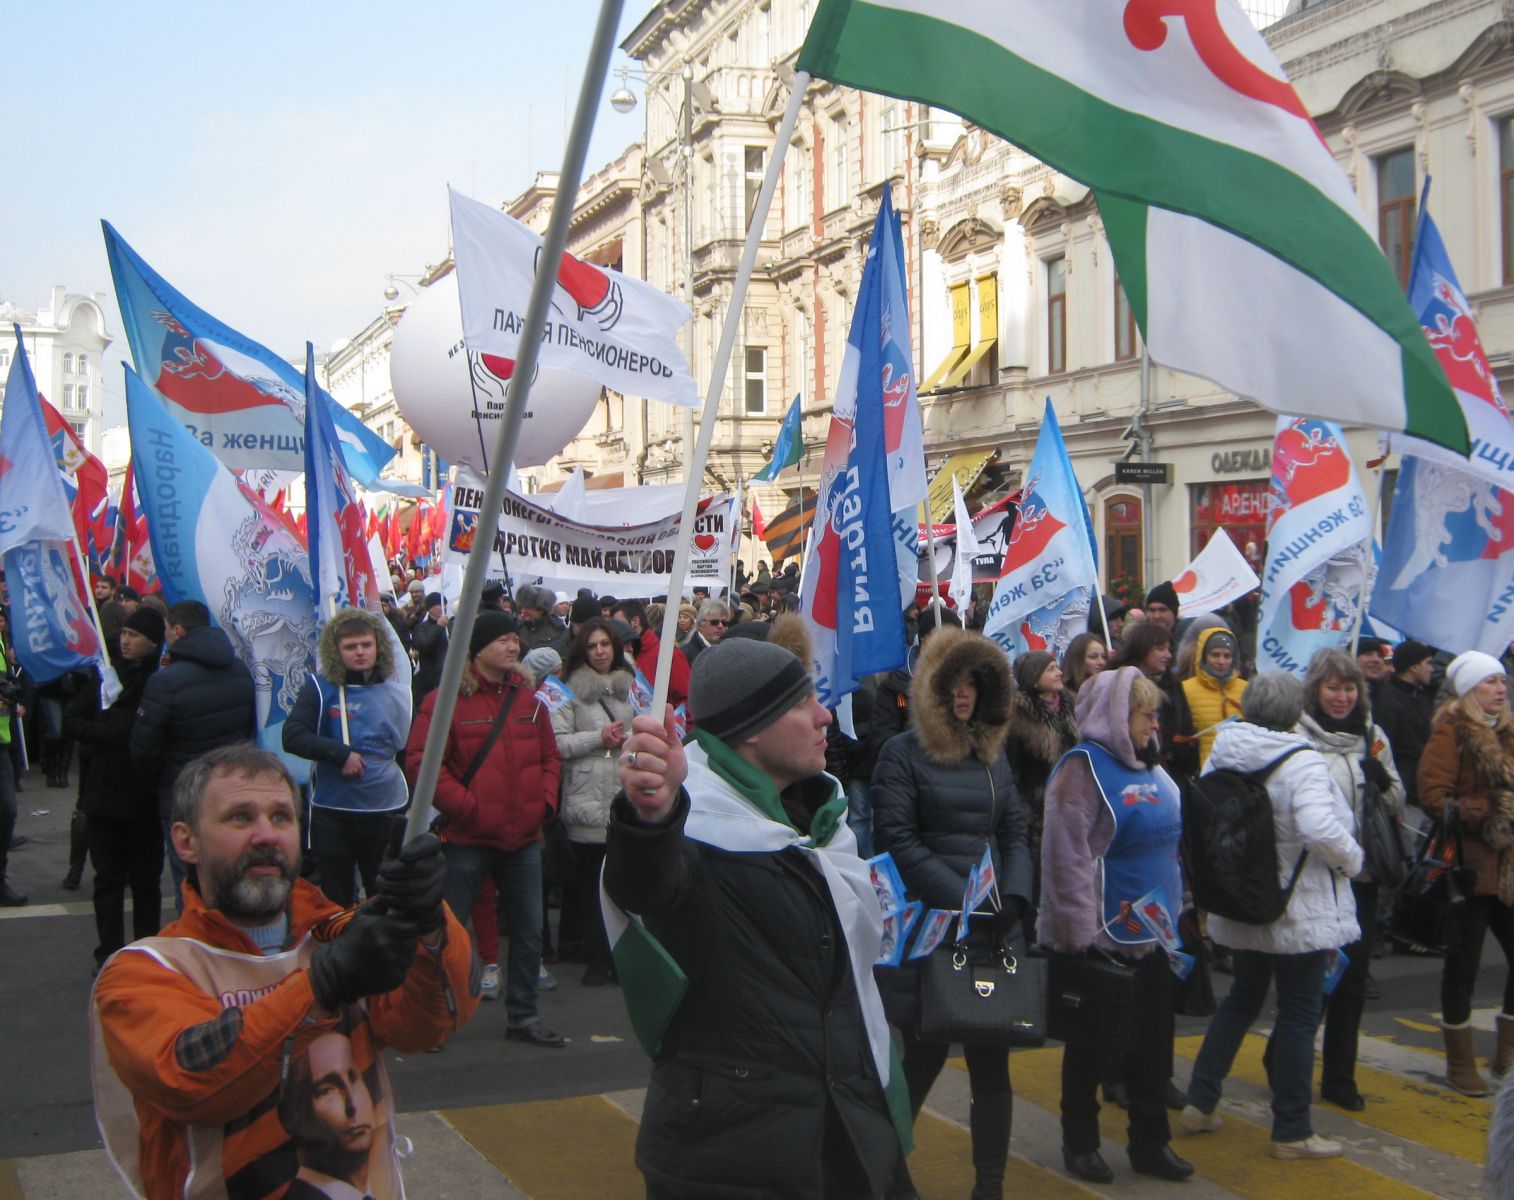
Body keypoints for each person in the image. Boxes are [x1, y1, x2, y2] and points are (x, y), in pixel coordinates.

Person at [90, 744, 476, 1200]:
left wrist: (428, 924)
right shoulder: (145, 971)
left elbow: (428, 1027)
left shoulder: (336, 934)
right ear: (185, 841)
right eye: (239, 817)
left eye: (281, 817)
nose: (266, 835)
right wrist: (322, 985)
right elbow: (193, 1084)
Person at [605, 639, 909, 1198]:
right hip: (730, 1157)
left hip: (846, 1135)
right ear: (751, 728)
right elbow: (645, 883)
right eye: (801, 705)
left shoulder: (822, 824)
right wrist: (651, 816)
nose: (824, 715)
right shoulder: (694, 829)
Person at [872, 626, 1032, 1200]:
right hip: (934, 929)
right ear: (932, 688)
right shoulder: (902, 754)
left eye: (973, 683)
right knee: (923, 1056)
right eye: (954, 683)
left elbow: (1014, 830)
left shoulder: (992, 754)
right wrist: (963, 903)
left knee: (993, 1063)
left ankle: (989, 1187)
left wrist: (1014, 897)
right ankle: (886, 1176)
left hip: (991, 925)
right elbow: (897, 839)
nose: (964, 695)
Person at [1182, 672, 1362, 1159]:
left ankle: (1199, 1101)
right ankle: (1292, 1129)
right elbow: (1320, 827)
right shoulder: (1301, 760)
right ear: (1293, 712)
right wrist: (1353, 859)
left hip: (1243, 901)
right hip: (1295, 908)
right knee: (1300, 1013)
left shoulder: (1225, 748)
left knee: (1242, 999)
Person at [1040, 667, 1194, 1184]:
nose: (1155, 723)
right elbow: (1065, 858)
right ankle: (1079, 1142)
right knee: (1092, 1047)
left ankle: (1151, 1143)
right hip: (1104, 937)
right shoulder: (1081, 770)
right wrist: (1076, 936)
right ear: (1115, 717)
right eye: (1145, 714)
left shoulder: (1153, 766)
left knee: (1153, 1048)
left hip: (1155, 934)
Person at [404, 610, 565, 1048]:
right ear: (477, 649)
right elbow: (421, 763)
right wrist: (468, 808)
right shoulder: (445, 701)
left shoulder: (529, 701)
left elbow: (549, 757)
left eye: (516, 639)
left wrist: (545, 803)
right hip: (468, 839)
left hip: (524, 837)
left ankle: (524, 1015)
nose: (513, 647)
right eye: (503, 640)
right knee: (448, 934)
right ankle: (435, 1018)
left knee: (530, 932)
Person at [1297, 648, 1403, 1111]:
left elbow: (1399, 793)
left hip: (1362, 875)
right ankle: (1284, 1057)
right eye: (1333, 688)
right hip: (1316, 876)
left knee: (1352, 978)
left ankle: (1340, 1076)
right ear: (1315, 690)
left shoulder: (1372, 734)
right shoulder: (1299, 736)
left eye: (1349, 688)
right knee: (1312, 980)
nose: (1341, 697)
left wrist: (1382, 782)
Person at [1418, 650, 1514, 1096]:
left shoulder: (1509, 731)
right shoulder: (1451, 732)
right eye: (1490, 682)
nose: (1500, 689)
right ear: (1469, 689)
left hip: (1509, 864)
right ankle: (1460, 1063)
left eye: (1502, 681)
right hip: (1469, 866)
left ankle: (1506, 1057)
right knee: (1463, 965)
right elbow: (1434, 797)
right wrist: (1490, 811)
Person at [130, 600, 257, 910]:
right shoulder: (240, 669)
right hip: (230, 788)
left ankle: (197, 946)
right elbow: (248, 727)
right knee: (229, 870)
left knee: (188, 879)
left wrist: (158, 780)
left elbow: (143, 746)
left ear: (178, 630)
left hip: (181, 791)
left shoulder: (164, 681)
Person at [283, 608, 412, 907]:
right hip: (334, 809)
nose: (360, 653)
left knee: (384, 893)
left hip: (384, 807)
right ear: (336, 650)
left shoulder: (397, 691)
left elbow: (410, 749)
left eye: (366, 645)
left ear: (378, 645)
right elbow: (293, 736)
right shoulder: (321, 688)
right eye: (350, 647)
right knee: (337, 898)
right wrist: (340, 754)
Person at [65, 607, 167, 967]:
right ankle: (108, 954)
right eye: (124, 632)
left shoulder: (160, 680)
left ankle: (147, 953)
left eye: (135, 635)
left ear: (153, 643)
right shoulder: (105, 672)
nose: (125, 639)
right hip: (103, 794)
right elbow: (72, 721)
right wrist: (108, 735)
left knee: (145, 882)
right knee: (107, 880)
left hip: (144, 797)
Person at [552, 617, 634, 987]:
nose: (601, 651)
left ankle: (621, 956)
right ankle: (595, 956)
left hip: (624, 793)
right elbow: (557, 743)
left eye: (606, 644)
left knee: (622, 883)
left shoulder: (632, 686)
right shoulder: (565, 690)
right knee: (589, 885)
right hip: (586, 795)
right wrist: (598, 737)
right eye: (593, 645)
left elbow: (647, 726)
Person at [1005, 649, 1078, 900]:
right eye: (1050, 669)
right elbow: (1012, 765)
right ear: (1034, 679)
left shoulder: (1071, 704)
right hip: (1036, 806)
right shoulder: (1017, 715)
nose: (1059, 672)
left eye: (1057, 667)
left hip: (1073, 801)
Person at [1115, 622, 1197, 783]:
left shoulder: (1173, 685)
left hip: (1172, 773)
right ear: (1142, 649)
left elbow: (1185, 726)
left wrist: (1185, 746)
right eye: (1160, 649)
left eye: (1168, 649)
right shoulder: (1120, 684)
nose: (1168, 655)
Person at [1373, 638, 1437, 812]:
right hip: (1405, 798)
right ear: (1414, 667)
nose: (1432, 669)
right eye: (1428, 663)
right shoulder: (1388, 701)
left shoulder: (1421, 698)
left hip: (1424, 794)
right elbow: (1383, 751)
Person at [1180, 627, 1247, 769]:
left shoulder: (1247, 690)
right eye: (1215, 655)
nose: (1221, 661)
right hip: (1202, 773)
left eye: (1227, 656)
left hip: (1240, 772)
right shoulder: (1185, 689)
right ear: (1203, 656)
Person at [612, 597, 690, 706]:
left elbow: (686, 701)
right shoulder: (615, 656)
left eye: (620, 624)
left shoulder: (668, 655)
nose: (616, 629)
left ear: (635, 622)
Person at [409, 592, 449, 702]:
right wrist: (438, 627)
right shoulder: (422, 627)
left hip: (448, 676)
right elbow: (424, 645)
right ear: (430, 608)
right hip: (430, 680)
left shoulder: (448, 625)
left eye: (445, 604)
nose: (444, 607)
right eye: (440, 605)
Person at [516, 583, 571, 657]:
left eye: (528, 607)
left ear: (541, 609)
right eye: (523, 607)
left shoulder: (558, 629)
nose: (523, 610)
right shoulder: (516, 628)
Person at [681, 597, 731, 665]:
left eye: (724, 623)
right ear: (701, 625)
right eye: (714, 622)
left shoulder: (728, 648)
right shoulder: (686, 652)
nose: (720, 626)